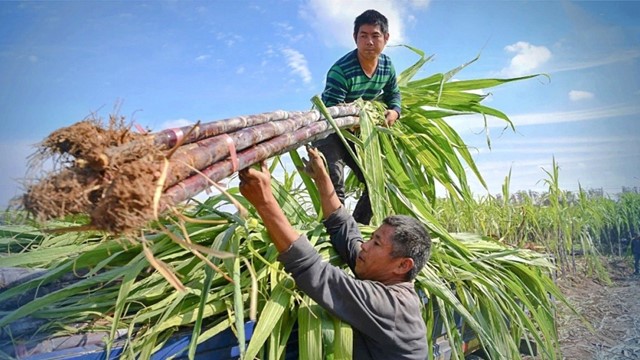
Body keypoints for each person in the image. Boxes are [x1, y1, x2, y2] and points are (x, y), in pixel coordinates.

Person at [238, 146, 431, 359]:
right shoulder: (386, 279)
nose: (365, 246)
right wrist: (322, 177)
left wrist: (265, 202)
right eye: (371, 238)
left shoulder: (391, 307)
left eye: (376, 243)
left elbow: (315, 273)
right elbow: (344, 231)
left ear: (403, 265)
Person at [313, 9, 402, 225]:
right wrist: (359, 119)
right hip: (330, 131)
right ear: (355, 38)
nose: (369, 41)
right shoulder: (341, 70)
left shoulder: (387, 67)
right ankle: (336, 236)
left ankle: (357, 230)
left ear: (386, 38)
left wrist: (394, 110)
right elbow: (334, 109)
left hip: (357, 132)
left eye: (375, 35)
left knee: (376, 182)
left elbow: (394, 93)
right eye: (363, 36)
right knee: (335, 187)